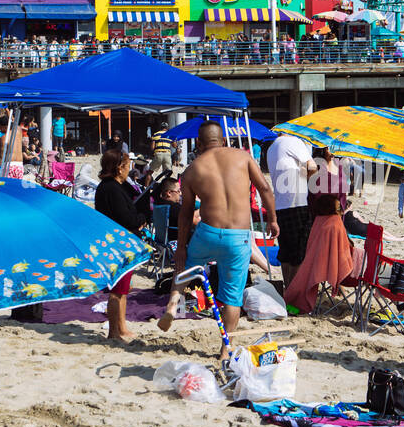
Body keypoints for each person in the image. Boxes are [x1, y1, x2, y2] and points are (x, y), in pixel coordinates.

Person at [158, 122, 278, 347]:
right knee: (232, 297)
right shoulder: (243, 158)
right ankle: (226, 348)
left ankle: (174, 304)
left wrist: (181, 247)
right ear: (223, 140)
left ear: (199, 144)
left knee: (183, 268)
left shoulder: (192, 169)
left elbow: (185, 214)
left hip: (208, 233)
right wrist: (272, 219)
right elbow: (265, 189)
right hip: (238, 236)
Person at [95, 149, 144, 342]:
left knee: (123, 289)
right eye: (127, 165)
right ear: (119, 167)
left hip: (116, 242)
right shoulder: (111, 188)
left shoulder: (109, 187)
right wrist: (141, 218)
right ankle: (114, 331)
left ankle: (121, 327)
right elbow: (126, 219)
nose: (129, 169)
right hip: (118, 244)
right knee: (117, 291)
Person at [266, 133, 318, 289]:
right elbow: (313, 166)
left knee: (286, 253)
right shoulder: (293, 141)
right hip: (296, 202)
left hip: (280, 205)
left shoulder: (272, 147)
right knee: (299, 253)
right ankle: (293, 293)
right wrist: (304, 179)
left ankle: (288, 289)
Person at [309, 146, 348, 220]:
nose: (332, 152)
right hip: (322, 214)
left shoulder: (338, 164)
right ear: (322, 149)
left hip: (337, 214)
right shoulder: (317, 165)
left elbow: (343, 191)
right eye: (329, 149)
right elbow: (313, 193)